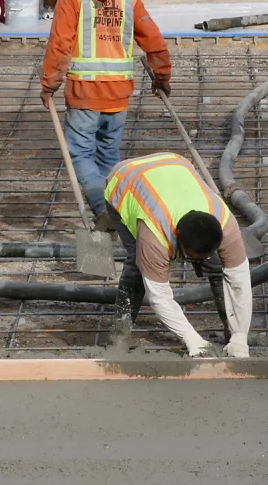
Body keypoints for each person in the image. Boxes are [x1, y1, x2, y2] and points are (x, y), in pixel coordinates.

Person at [41, 0, 171, 217]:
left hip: (85, 93)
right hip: (118, 95)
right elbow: (153, 39)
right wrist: (161, 76)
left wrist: (49, 84)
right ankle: (117, 212)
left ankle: (102, 211)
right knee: (109, 158)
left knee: (80, 155)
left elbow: (60, 44)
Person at [103, 152, 252, 358]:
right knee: (138, 266)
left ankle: (231, 333)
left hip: (173, 164)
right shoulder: (154, 236)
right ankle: (119, 336)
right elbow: (159, 296)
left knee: (216, 266)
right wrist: (191, 338)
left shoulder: (227, 224)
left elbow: (239, 281)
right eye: (193, 258)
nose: (200, 262)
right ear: (178, 240)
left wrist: (240, 336)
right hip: (124, 179)